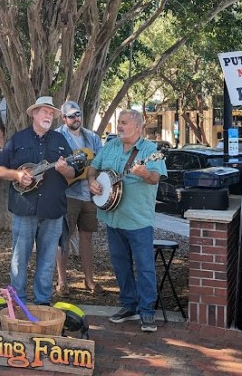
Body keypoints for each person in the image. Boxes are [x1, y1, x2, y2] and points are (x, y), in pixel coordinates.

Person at [0, 96, 78, 305]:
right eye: (45, 112)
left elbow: (73, 172)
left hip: (53, 210)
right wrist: (17, 175)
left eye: (51, 113)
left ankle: (43, 302)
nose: (49, 116)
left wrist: (64, 168)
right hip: (24, 209)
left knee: (48, 260)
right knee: (19, 259)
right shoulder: (18, 139)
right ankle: (18, 301)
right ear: (34, 114)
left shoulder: (60, 141)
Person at [87, 109, 166, 333]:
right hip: (113, 217)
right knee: (121, 265)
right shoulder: (110, 146)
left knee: (144, 267)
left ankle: (147, 311)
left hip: (138, 219)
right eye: (119, 123)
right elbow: (94, 167)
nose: (119, 126)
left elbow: (155, 178)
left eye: (123, 123)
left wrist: (144, 173)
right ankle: (128, 305)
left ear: (138, 127)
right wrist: (92, 181)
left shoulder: (151, 151)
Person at [55, 100, 103, 295]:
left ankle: (89, 280)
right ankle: (61, 281)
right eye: (72, 115)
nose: (76, 119)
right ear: (63, 117)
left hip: (89, 195)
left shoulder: (92, 137)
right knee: (63, 239)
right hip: (67, 194)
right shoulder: (57, 137)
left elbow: (101, 161)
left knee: (87, 238)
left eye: (78, 115)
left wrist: (95, 180)